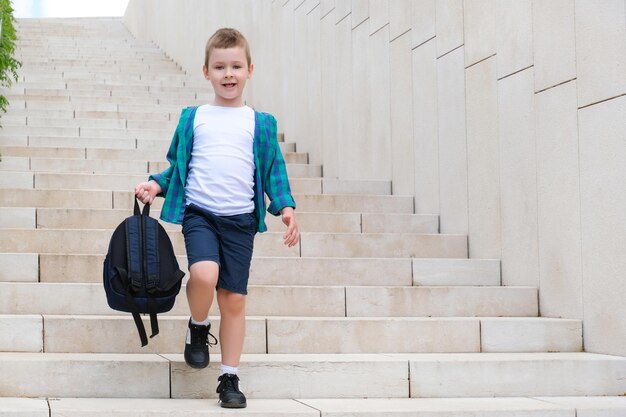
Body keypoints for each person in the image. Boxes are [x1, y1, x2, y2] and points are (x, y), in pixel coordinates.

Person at [135, 27, 299, 409]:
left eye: (236, 66)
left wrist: (286, 208)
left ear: (250, 70)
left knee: (234, 300)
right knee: (204, 274)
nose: (229, 74)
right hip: (201, 214)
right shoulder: (194, 118)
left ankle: (229, 376)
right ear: (205, 71)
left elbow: (274, 170)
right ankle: (198, 325)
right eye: (220, 66)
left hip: (241, 220)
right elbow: (178, 165)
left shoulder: (260, 123)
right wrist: (156, 185)